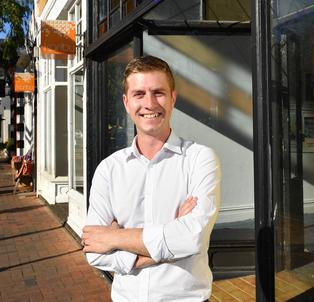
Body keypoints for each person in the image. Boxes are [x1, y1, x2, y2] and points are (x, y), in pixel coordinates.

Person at [82, 55, 221, 302]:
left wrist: (114, 237)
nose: (149, 103)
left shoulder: (200, 159)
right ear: (126, 103)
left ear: (173, 99)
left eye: (158, 92)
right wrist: (171, 234)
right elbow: (94, 251)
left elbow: (193, 238)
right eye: (139, 94)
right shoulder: (109, 170)